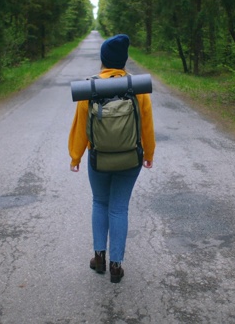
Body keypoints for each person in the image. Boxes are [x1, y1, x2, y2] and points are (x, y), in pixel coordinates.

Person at [68, 34, 156, 283]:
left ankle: (99, 259)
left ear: (103, 60)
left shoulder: (91, 88)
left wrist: (76, 157)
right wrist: (148, 154)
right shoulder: (137, 88)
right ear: (124, 61)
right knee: (119, 207)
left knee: (100, 202)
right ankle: (116, 266)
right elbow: (146, 127)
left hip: (100, 159)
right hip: (130, 159)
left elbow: (81, 126)